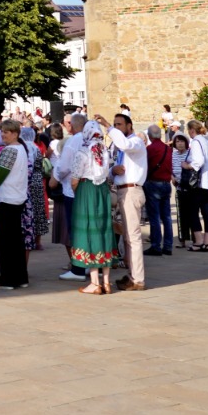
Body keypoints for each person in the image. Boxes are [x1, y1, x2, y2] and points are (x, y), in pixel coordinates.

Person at [67, 121, 116, 295]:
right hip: (102, 191)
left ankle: (95, 283)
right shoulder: (105, 151)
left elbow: (74, 180)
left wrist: (78, 192)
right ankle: (107, 282)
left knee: (89, 231)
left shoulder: (82, 152)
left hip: (86, 190)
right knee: (103, 231)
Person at [107, 113, 147, 292]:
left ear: (129, 125)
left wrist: (109, 127)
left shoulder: (135, 141)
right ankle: (133, 274)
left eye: (120, 124)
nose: (117, 127)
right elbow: (115, 170)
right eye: (115, 124)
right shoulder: (124, 146)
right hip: (124, 190)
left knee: (133, 236)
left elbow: (124, 144)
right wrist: (113, 171)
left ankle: (138, 278)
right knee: (128, 236)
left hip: (131, 190)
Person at [0, 121, 31, 290]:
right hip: (17, 198)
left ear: (15, 133)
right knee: (15, 241)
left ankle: (7, 278)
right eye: (2, 131)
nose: (3, 134)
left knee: (5, 242)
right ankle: (20, 277)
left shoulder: (10, 151)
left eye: (7, 132)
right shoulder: (21, 149)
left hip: (5, 199)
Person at [53, 113, 89, 280]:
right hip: (89, 190)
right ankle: (89, 265)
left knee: (76, 230)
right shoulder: (92, 140)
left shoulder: (73, 141)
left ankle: (78, 268)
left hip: (72, 190)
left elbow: (64, 166)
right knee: (87, 229)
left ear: (72, 126)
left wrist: (55, 178)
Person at [144, 124, 173, 258]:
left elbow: (145, 166)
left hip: (153, 182)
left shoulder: (150, 149)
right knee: (166, 216)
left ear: (149, 136)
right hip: (166, 183)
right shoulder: (168, 149)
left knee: (154, 216)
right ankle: (168, 245)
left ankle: (156, 245)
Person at [171, 134, 200, 249]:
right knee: (181, 215)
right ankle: (182, 239)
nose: (180, 143)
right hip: (179, 188)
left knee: (193, 214)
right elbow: (170, 168)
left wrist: (187, 166)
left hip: (191, 188)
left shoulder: (191, 154)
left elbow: (196, 167)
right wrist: (172, 177)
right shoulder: (173, 155)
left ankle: (195, 239)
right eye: (177, 141)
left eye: (182, 141)